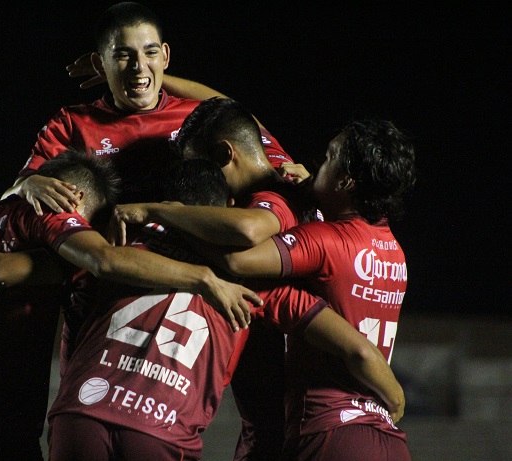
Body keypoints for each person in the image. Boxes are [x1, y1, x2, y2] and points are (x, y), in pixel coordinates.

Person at [45, 157, 404, 460]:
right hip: (162, 430)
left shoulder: (120, 251)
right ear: (227, 209)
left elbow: (74, 322)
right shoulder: (255, 285)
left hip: (82, 412)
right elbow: (356, 348)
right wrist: (394, 397)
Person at [0, 149, 260, 461]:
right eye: (89, 224)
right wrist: (204, 278)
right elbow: (100, 260)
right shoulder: (49, 218)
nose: (89, 232)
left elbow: (6, 270)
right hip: (6, 428)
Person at [192, 119, 417, 460]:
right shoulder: (395, 252)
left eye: (328, 158)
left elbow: (236, 260)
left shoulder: (326, 240)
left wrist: (167, 215)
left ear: (346, 181)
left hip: (331, 431)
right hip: (387, 437)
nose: (314, 166)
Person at [109, 96, 317, 459]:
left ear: (225, 154)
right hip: (271, 398)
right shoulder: (270, 152)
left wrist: (161, 212)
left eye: (203, 167)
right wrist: (161, 78)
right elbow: (230, 104)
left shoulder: (278, 195)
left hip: (284, 396)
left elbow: (246, 235)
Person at [4, 1, 292, 216]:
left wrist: (290, 173)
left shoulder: (195, 116)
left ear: (165, 56)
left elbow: (252, 146)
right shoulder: (71, 123)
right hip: (107, 262)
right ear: (100, 64)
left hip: (194, 255)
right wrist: (25, 186)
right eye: (123, 55)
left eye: (150, 52)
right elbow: (13, 194)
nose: (139, 66)